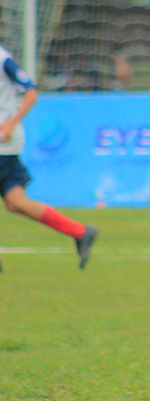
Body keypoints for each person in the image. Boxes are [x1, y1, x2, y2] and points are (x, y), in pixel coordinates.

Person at [0, 38, 98, 270]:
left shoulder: (2, 59)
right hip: (7, 145)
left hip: (3, 142)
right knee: (15, 202)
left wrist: (10, 123)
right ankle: (80, 232)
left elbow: (31, 92)